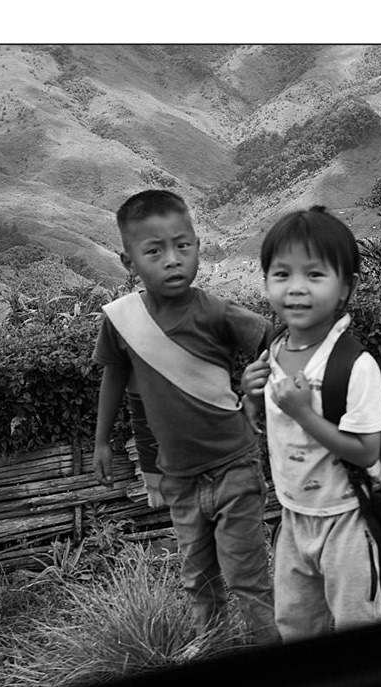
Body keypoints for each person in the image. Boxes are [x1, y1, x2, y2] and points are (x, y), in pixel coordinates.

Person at [93, 189, 280, 649]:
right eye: (154, 251)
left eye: (184, 246)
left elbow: (275, 343)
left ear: (198, 245)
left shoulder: (215, 311)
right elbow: (115, 378)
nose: (173, 260)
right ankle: (213, 645)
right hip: (179, 480)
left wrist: (256, 389)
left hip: (234, 465)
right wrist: (102, 441)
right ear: (128, 261)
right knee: (198, 579)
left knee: (246, 576)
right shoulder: (122, 321)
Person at [241, 206, 381, 641]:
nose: (296, 289)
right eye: (282, 274)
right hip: (292, 516)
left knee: (355, 620)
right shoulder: (275, 350)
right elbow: (263, 425)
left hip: (346, 518)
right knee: (295, 624)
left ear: (346, 288)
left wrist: (304, 413)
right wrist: (249, 397)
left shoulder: (354, 365)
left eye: (315, 275)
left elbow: (367, 451)